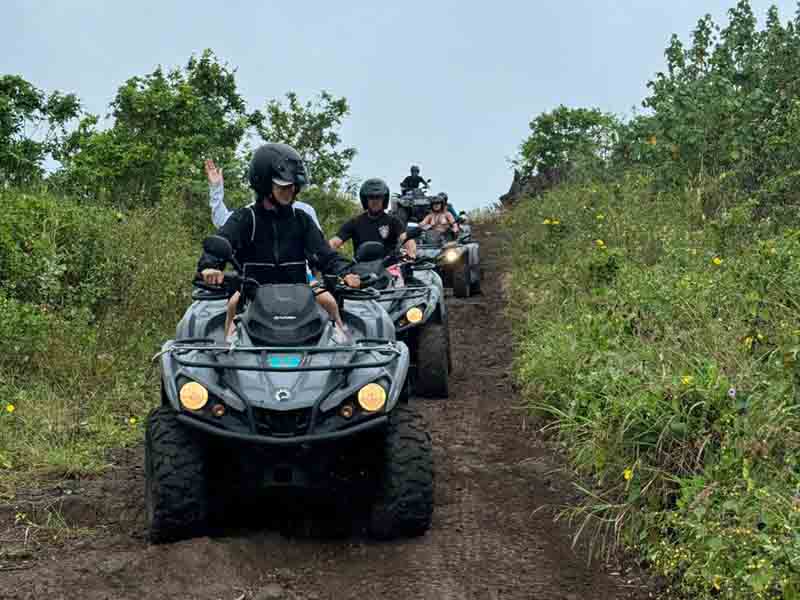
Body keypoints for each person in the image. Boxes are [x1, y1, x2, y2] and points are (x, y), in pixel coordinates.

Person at [198, 144, 359, 341]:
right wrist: (209, 266)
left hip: (300, 296)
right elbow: (223, 239)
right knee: (232, 306)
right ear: (264, 185)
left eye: (292, 186)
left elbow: (325, 253)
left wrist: (347, 272)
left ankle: (344, 351)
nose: (289, 191)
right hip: (251, 296)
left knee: (331, 304)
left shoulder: (301, 219)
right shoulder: (246, 218)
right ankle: (226, 355)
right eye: (283, 186)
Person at [329, 178, 417, 259]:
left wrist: (411, 254)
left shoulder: (393, 221)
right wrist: (322, 254)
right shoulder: (355, 222)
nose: (375, 201)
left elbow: (406, 239)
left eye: (378, 197)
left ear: (384, 199)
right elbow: (335, 242)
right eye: (371, 197)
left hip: (388, 268)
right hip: (360, 270)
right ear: (365, 199)